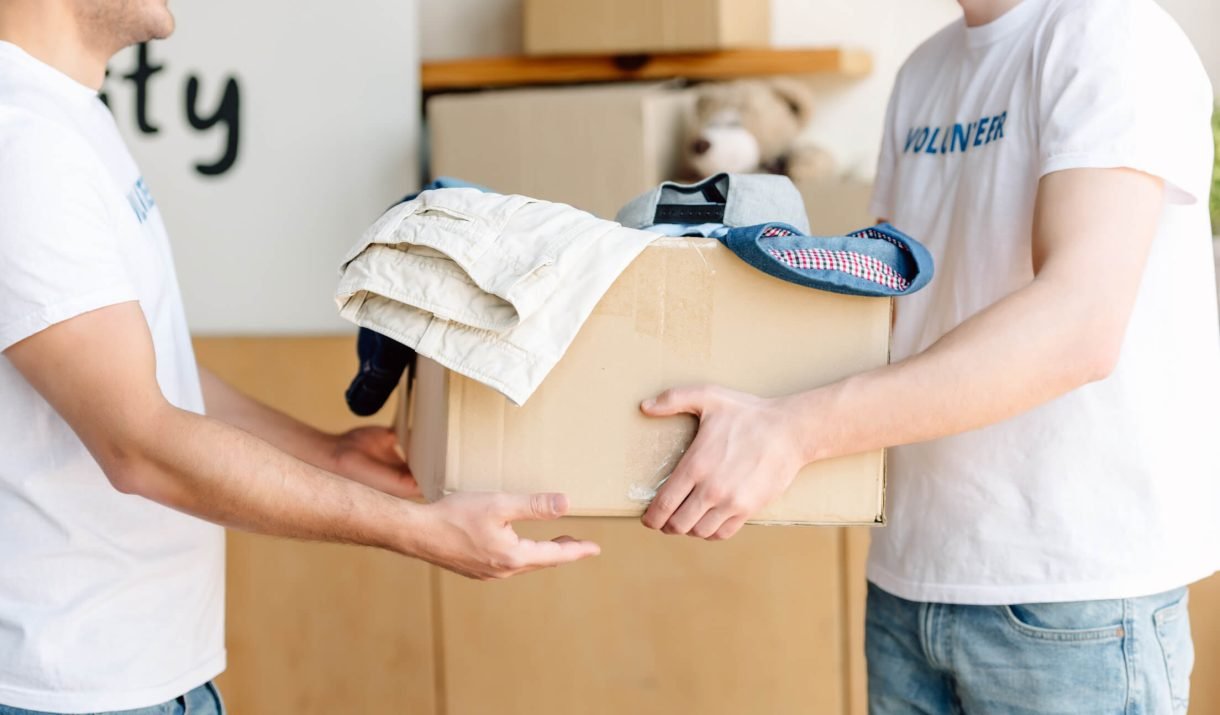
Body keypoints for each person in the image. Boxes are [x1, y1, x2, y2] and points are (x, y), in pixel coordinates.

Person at [0, 1, 600, 712]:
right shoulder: (21, 138)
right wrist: (417, 530)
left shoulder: (66, 115)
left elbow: (154, 378)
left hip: (142, 672)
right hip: (71, 688)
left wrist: (330, 452)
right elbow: (138, 443)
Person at [640, 0, 1218, 712]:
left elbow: (1079, 324)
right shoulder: (925, 71)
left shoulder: (1109, 31)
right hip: (910, 580)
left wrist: (792, 429)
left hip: (1073, 600)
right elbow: (888, 297)